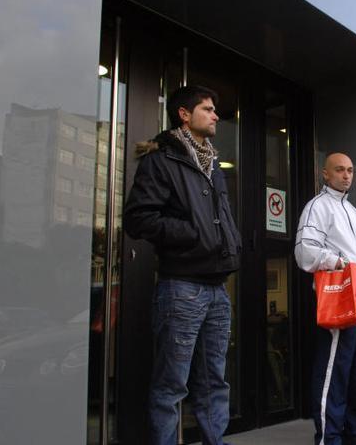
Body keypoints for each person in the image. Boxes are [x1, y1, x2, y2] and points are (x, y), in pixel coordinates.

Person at [124, 85, 242, 445]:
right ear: (185, 115)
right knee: (171, 384)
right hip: (181, 289)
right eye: (207, 108)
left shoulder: (212, 165)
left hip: (217, 289)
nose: (216, 115)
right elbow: (138, 219)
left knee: (213, 382)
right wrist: (192, 232)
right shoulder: (161, 161)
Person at [294, 153, 356, 445]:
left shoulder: (354, 212)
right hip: (341, 297)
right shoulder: (317, 207)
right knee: (335, 371)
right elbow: (305, 252)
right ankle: (329, 439)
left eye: (350, 170)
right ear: (325, 174)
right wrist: (337, 262)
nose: (346, 175)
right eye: (340, 170)